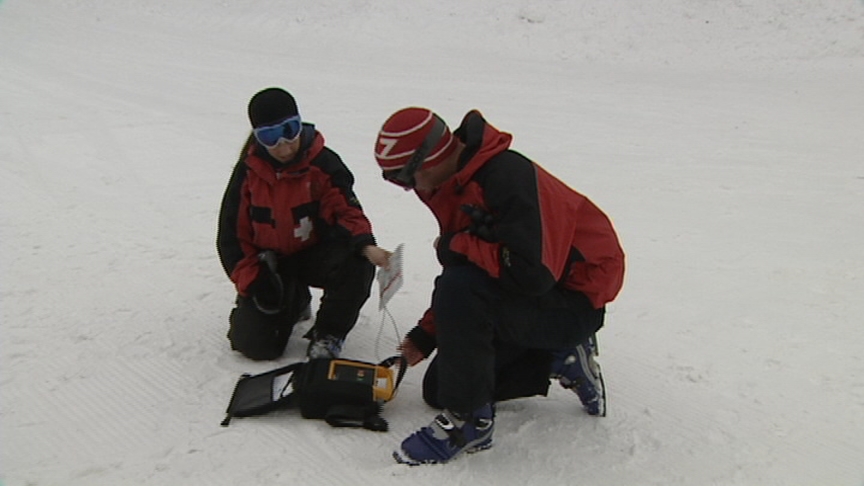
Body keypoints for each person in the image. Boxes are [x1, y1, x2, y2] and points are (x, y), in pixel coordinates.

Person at [373, 107, 625, 465]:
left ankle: (470, 424)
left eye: (403, 177)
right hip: (530, 292)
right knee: (440, 389)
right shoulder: (451, 185)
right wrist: (425, 337)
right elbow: (465, 269)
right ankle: (559, 355)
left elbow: (530, 274)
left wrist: (456, 245)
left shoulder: (508, 178)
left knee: (462, 308)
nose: (406, 188)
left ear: (427, 160)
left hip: (573, 300)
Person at [217, 87, 390, 361]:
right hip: (271, 266)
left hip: (314, 255)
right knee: (256, 347)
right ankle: (293, 299)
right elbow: (232, 238)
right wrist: (254, 280)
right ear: (258, 138)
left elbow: (347, 211)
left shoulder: (323, 163)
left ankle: (329, 334)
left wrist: (365, 245)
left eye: (290, 131)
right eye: (270, 138)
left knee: (357, 262)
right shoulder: (248, 173)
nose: (284, 147)